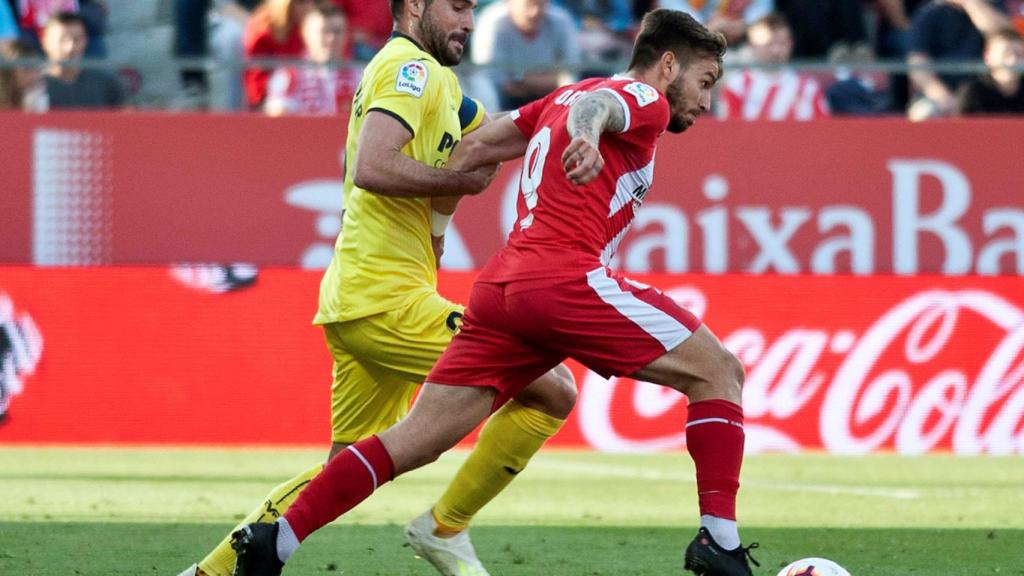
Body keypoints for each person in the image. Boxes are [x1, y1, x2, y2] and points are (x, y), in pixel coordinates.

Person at [230, 9, 759, 576]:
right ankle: (719, 540)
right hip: (564, 280)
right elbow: (601, 109)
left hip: (502, 289)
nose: (706, 101)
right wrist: (585, 136)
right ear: (668, 65)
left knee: (415, 440)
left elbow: (474, 147)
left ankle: (277, 539)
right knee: (719, 371)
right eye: (704, 82)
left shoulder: (560, 97)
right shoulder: (642, 97)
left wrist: (437, 226)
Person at [175, 0, 575, 575]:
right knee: (553, 388)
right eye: (457, 7)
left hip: (361, 296)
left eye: (472, 9)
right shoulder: (407, 69)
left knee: (342, 471)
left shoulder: (439, 84)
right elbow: (373, 165)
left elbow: (494, 132)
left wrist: (578, 108)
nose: (468, 22)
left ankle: (207, 573)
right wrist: (457, 179)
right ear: (414, 7)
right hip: (385, 299)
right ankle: (445, 527)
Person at [906, 0, 1011, 119]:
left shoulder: (990, 7)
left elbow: (1006, 36)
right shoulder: (929, 13)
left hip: (983, 94)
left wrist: (970, 3)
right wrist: (943, 98)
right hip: (939, 97)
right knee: (924, 113)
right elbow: (918, 65)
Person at [718, 12, 830, 120]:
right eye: (769, 44)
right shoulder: (737, 86)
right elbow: (730, 129)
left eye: (781, 43)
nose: (775, 51)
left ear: (791, 44)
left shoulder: (809, 88)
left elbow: (824, 128)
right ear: (753, 44)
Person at [471, 0, 580, 109]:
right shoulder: (492, 22)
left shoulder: (562, 21)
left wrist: (518, 80)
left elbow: (570, 76)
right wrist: (550, 80)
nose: (535, 12)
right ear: (509, 3)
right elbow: (492, 80)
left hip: (551, 102)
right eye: (528, 5)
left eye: (541, 4)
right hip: (503, 104)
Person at [264, 3, 361, 116]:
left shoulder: (360, 75)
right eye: (324, 31)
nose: (331, 38)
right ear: (305, 33)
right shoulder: (289, 75)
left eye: (337, 31)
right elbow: (277, 117)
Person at [40, 10, 122, 108]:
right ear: (45, 42)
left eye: (77, 39)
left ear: (86, 41)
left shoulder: (106, 82)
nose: (70, 47)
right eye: (62, 40)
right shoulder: (33, 85)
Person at [242, 0, 313, 109]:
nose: (309, 6)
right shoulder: (262, 30)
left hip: (308, 98)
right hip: (273, 103)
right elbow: (256, 80)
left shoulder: (314, 28)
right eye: (301, 2)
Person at [957, 28, 1024, 114]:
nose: (1013, 61)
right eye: (1006, 54)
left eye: (1019, 54)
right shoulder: (973, 93)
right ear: (988, 57)